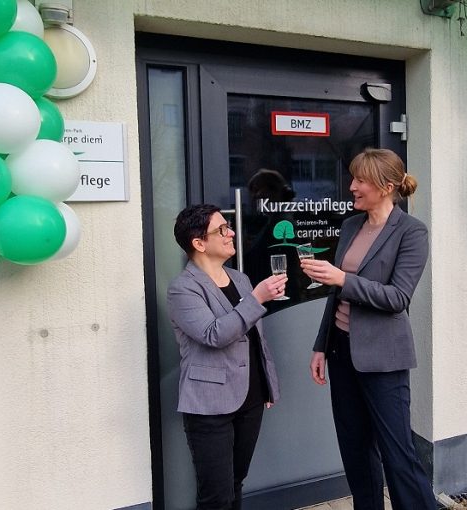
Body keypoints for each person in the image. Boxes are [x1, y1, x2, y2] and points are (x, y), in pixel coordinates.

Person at [299, 148, 434, 510]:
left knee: (398, 453)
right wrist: (320, 346)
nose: (353, 186)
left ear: (386, 186)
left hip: (384, 359)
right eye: (354, 178)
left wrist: (343, 277)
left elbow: (397, 298)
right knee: (355, 449)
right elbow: (337, 295)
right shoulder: (351, 226)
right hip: (342, 351)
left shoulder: (411, 232)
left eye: (361, 180)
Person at [167, 204, 288, 510]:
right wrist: (257, 299)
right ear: (198, 243)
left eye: (228, 226)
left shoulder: (240, 278)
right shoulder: (183, 289)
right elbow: (213, 334)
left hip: (250, 396)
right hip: (209, 405)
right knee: (216, 496)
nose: (231, 232)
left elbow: (256, 337)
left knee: (235, 482)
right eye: (222, 229)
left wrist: (268, 383)